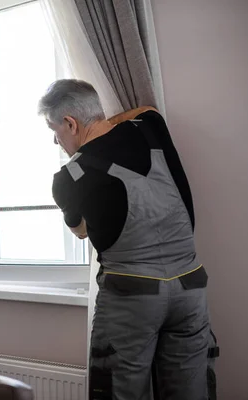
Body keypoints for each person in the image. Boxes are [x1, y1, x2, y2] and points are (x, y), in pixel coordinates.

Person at [39, 79, 218, 400]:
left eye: (55, 130)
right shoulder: (149, 126)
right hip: (190, 290)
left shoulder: (68, 177)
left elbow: (81, 231)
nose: (56, 141)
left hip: (131, 299)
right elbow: (143, 109)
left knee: (120, 394)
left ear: (70, 123)